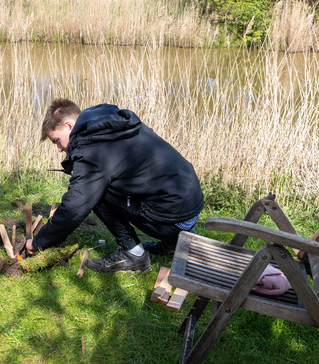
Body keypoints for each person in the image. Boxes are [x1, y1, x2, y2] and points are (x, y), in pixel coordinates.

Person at [25, 99, 204, 273]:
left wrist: (39, 241)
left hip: (172, 219)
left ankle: (133, 253)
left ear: (69, 126)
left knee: (95, 194)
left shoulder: (92, 148)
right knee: (105, 185)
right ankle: (175, 241)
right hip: (189, 209)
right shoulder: (112, 124)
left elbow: (74, 207)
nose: (59, 149)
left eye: (56, 140)